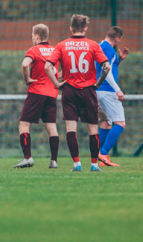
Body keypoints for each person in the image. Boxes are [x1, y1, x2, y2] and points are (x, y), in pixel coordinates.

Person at [44, 14, 110, 172]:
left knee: (70, 128)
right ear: (86, 28)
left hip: (69, 90)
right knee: (93, 129)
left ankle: (76, 164)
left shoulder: (61, 45)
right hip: (88, 90)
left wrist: (57, 84)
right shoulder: (93, 45)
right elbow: (106, 67)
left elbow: (48, 66)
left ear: (71, 28)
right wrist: (97, 84)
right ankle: (94, 165)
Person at [14, 24, 61, 169]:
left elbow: (24, 64)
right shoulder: (55, 50)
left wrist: (27, 79)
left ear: (36, 36)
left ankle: (27, 158)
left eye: (31, 36)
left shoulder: (34, 50)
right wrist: (57, 82)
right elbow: (63, 69)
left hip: (36, 93)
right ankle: (54, 161)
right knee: (52, 127)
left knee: (24, 125)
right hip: (52, 93)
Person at [96, 26, 129, 167]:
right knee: (120, 123)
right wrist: (118, 89)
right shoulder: (109, 50)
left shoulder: (98, 46)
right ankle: (103, 153)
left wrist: (119, 60)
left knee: (106, 123)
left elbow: (103, 67)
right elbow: (106, 70)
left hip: (97, 90)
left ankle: (99, 159)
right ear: (117, 39)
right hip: (108, 91)